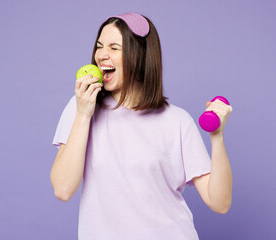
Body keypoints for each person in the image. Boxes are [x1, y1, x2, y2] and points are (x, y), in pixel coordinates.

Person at [50, 12, 233, 240]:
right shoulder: (81, 107)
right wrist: (84, 114)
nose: (102, 55)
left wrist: (217, 136)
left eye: (114, 48)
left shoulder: (176, 121)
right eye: (99, 46)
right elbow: (63, 189)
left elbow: (220, 203)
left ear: (140, 56)